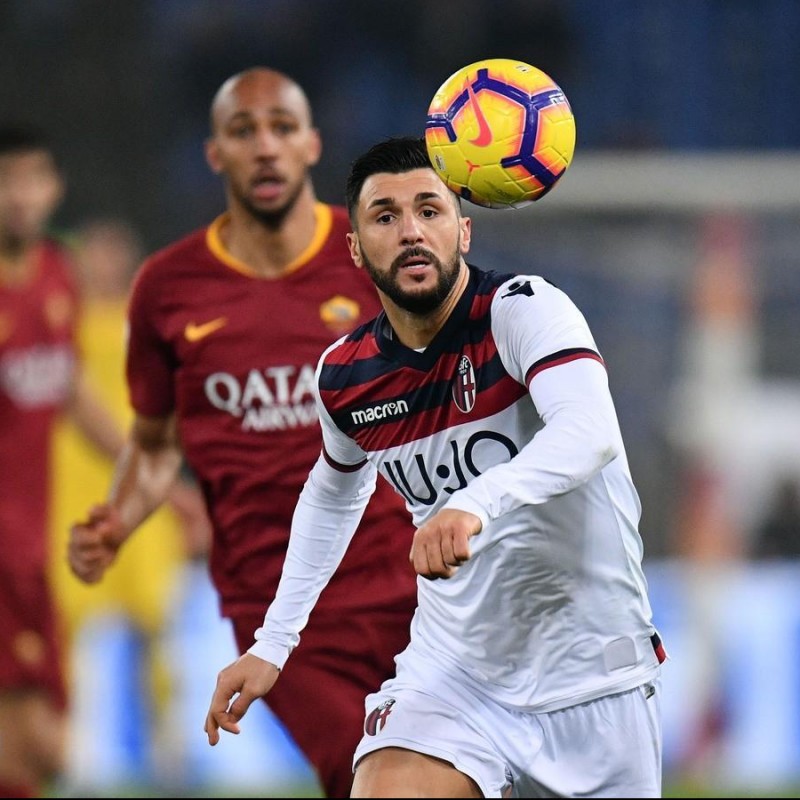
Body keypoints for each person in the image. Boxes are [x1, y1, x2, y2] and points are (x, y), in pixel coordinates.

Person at [205, 136, 667, 798]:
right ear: (357, 247)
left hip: (591, 674)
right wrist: (273, 644)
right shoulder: (345, 374)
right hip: (456, 674)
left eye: (430, 210)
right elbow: (333, 496)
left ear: (463, 230)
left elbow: (589, 432)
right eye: (385, 216)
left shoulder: (522, 311)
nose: (411, 231)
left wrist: (475, 501)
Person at [67, 69, 418, 798]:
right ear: (214, 154)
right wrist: (121, 516)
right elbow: (158, 442)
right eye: (243, 131)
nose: (266, 147)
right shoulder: (168, 288)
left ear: (312, 144)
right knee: (372, 780)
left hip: (409, 585)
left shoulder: (369, 257)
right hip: (280, 616)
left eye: (282, 128)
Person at [49, 217, 211, 789]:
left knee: (157, 624)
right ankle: (69, 752)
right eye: (95, 251)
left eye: (115, 252)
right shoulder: (59, 322)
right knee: (65, 629)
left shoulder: (149, 325)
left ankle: (171, 751)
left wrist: (184, 489)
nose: (105, 263)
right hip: (71, 489)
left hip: (144, 495)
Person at [0, 127, 124, 798]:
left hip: (30, 547)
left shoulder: (55, 273)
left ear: (53, 188)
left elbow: (69, 384)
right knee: (34, 746)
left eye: (31, 179)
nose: (19, 196)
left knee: (41, 747)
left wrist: (146, 466)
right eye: (5, 180)